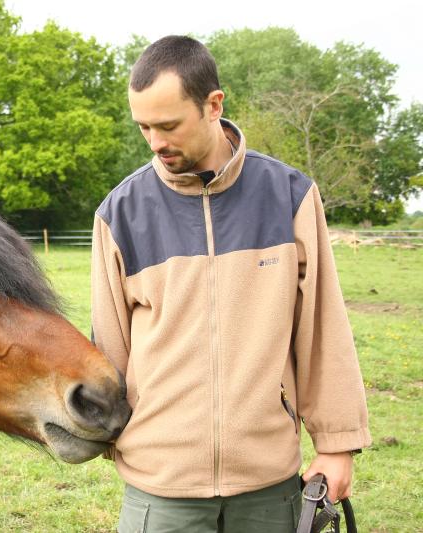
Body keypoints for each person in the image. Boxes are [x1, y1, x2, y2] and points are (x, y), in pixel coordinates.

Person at [91, 35, 371, 532]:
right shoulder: (119, 213)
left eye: (169, 125)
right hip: (160, 488)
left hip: (268, 486)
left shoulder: (289, 196)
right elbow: (109, 348)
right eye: (144, 127)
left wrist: (337, 445)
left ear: (214, 105)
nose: (155, 142)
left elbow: (322, 328)